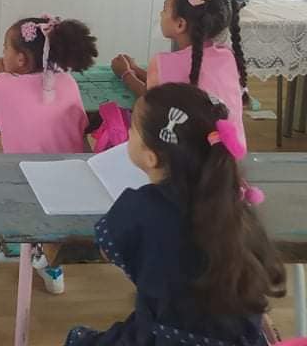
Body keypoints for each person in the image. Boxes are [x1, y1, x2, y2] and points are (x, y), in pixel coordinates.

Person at [64, 83, 286, 346]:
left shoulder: (140, 206)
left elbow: (108, 249)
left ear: (151, 158)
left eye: (133, 128)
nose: (129, 133)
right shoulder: (235, 203)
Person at [0, 15, 97, 298]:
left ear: (20, 59)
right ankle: (53, 270)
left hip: (23, 190)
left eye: (6, 48)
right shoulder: (68, 82)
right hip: (69, 190)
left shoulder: (5, 85)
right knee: (48, 199)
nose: (2, 53)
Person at [113, 0, 247, 146]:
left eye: (164, 9)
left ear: (180, 24)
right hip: (230, 151)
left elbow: (149, 99)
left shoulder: (161, 62)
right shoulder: (228, 56)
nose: (161, 14)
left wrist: (126, 74)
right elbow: (177, 82)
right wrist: (136, 69)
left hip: (186, 154)